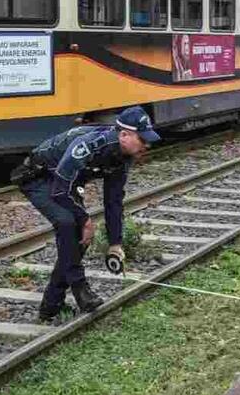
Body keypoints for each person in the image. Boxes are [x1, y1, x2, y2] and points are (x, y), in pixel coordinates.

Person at [13, 107, 160, 320]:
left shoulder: (123, 156)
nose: (147, 145)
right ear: (124, 135)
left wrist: (115, 243)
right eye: (143, 139)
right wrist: (86, 220)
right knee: (67, 223)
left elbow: (114, 201)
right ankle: (80, 289)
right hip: (39, 178)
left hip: (66, 182)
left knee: (80, 237)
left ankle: (51, 306)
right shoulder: (90, 144)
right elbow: (59, 190)